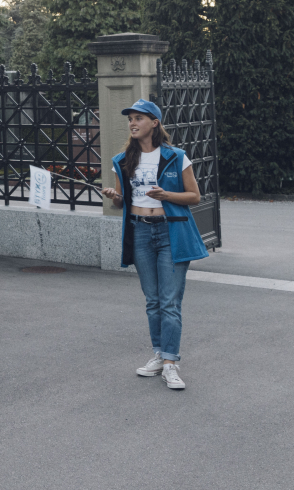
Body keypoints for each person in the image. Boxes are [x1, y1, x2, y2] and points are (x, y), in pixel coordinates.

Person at [98, 99, 207, 390]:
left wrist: (166, 196)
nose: (133, 123)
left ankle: (171, 363)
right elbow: (123, 201)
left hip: (170, 232)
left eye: (139, 119)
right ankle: (159, 354)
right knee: (153, 301)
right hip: (140, 233)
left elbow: (195, 197)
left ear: (154, 123)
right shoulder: (122, 160)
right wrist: (114, 195)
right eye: (130, 119)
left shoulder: (176, 156)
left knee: (170, 301)